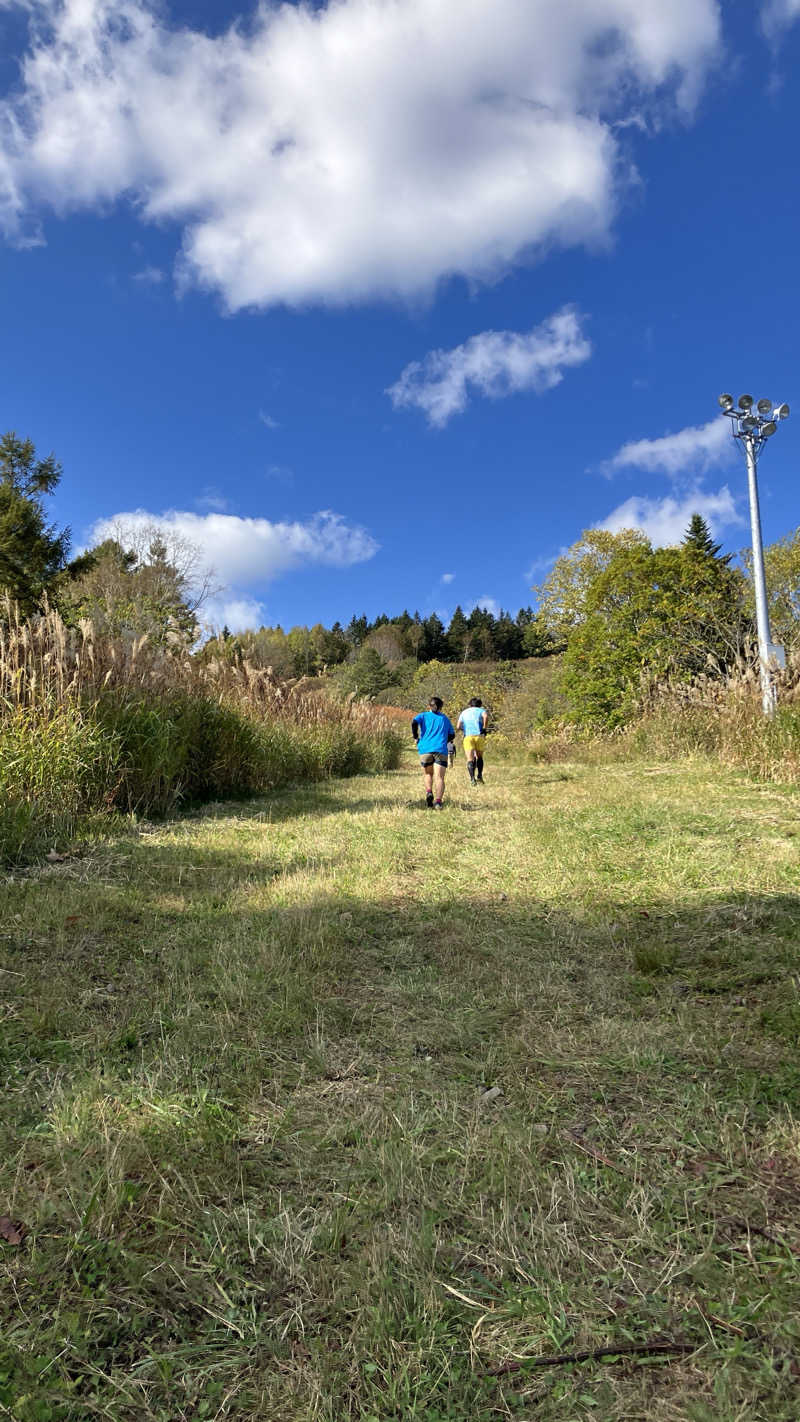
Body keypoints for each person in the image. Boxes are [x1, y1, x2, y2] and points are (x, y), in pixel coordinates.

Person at [411, 696, 456, 809]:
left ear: (429, 706)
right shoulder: (445, 719)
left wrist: (416, 736)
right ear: (441, 707)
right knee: (439, 777)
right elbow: (452, 734)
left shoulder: (423, 715)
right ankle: (438, 802)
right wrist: (444, 741)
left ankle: (429, 792)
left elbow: (414, 722)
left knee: (428, 774)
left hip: (425, 749)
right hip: (440, 749)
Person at [457, 696, 488, 785]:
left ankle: (472, 779)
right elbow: (485, 717)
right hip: (479, 736)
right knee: (479, 757)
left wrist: (465, 729)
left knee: (470, 759)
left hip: (468, 737)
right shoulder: (482, 711)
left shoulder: (464, 712)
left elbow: (458, 726)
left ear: (470, 704)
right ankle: (479, 775)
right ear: (480, 705)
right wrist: (484, 728)